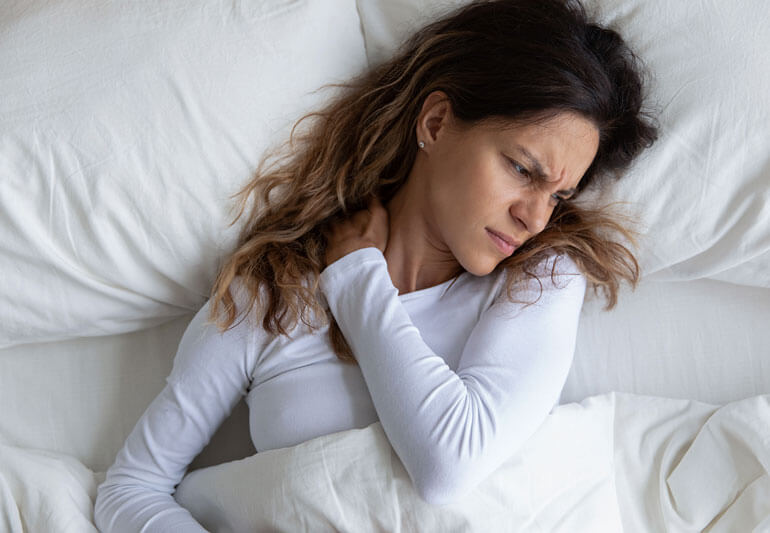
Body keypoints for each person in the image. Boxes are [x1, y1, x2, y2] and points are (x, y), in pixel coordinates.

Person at [94, 0, 657, 530]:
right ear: (435, 123)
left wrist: (359, 279)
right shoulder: (273, 291)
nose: (534, 216)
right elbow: (131, 488)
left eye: (559, 195)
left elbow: (448, 466)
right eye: (521, 169)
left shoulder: (543, 278)